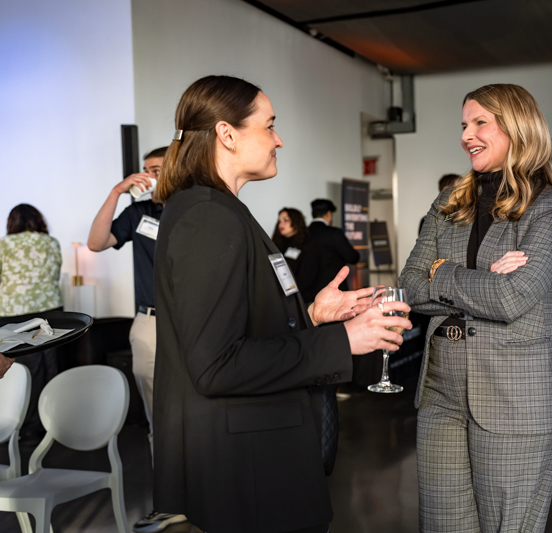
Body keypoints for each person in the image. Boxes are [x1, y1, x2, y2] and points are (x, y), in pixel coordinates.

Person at [151, 75, 411, 533]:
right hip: (248, 474)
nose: (279, 139)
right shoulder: (209, 217)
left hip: (252, 463)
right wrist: (341, 341)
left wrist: (311, 315)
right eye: (269, 125)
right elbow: (215, 365)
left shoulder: (216, 209)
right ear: (226, 134)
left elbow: (237, 326)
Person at [398, 84, 552, 533]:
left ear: (517, 127)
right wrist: (483, 280)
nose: (466, 135)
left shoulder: (551, 207)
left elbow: (514, 297)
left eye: (480, 123)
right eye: (463, 125)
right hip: (441, 390)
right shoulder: (449, 203)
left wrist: (444, 271)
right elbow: (411, 286)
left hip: (514, 397)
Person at [86, 146, 186, 532]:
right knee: (156, 416)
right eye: (144, 171)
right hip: (151, 324)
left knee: (198, 410)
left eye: (156, 169)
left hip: (193, 324)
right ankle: (170, 502)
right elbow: (96, 243)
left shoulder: (195, 209)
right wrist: (116, 191)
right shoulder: (138, 214)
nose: (147, 177)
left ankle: (210, 493)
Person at [0, 204, 63, 435]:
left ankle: (27, 427)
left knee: (25, 369)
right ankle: (53, 423)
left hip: (15, 311)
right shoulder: (51, 242)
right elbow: (55, 274)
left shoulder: (3, 245)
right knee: (50, 366)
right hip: (50, 310)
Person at [308, 198, 360, 296]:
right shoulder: (334, 233)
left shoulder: (303, 233)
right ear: (328, 214)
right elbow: (353, 257)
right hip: (333, 289)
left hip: (308, 290)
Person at [272, 207, 319, 302]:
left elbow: (305, 279)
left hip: (299, 299)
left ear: (296, 222)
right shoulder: (275, 245)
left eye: (286, 220)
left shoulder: (308, 246)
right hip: (276, 297)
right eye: (279, 221)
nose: (281, 224)